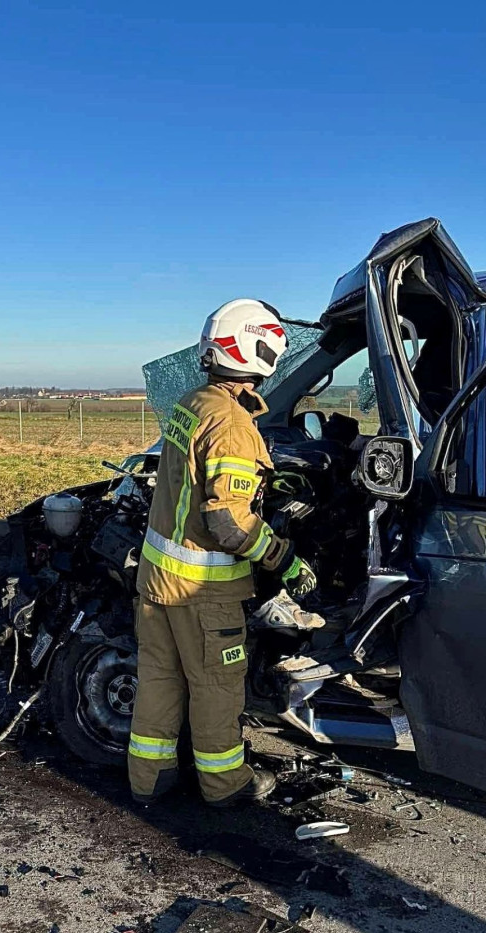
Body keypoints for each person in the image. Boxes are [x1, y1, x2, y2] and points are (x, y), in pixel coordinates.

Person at [128, 298, 318, 808]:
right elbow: (229, 523)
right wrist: (284, 558)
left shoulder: (193, 403)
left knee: (160, 680)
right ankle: (224, 784)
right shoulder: (232, 424)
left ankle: (150, 780)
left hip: (156, 580)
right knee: (215, 685)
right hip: (203, 590)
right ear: (260, 351)